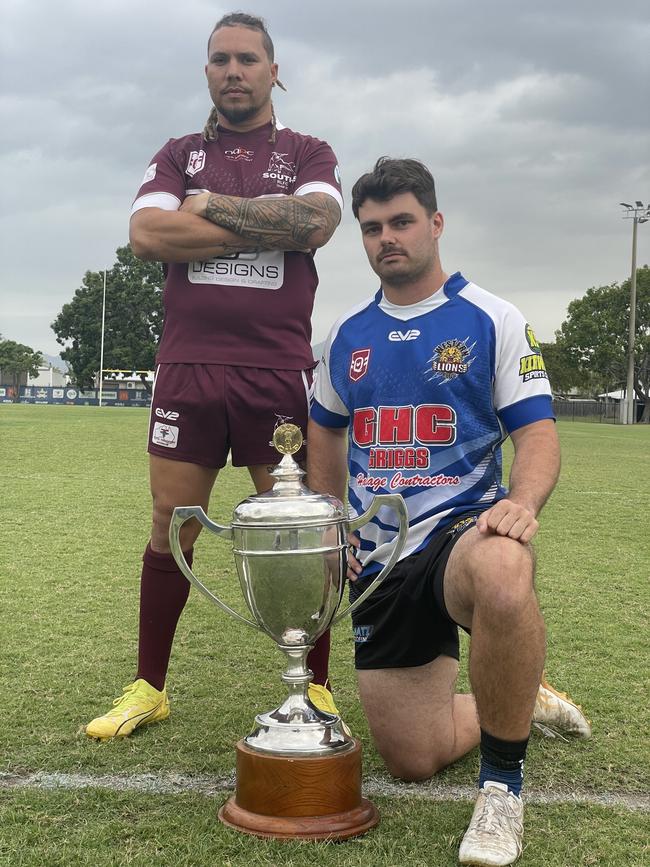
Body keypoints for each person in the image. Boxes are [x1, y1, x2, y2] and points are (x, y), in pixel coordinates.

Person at [307, 158, 590, 866]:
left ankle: (503, 787)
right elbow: (323, 432)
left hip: (464, 532)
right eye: (372, 228)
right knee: (412, 756)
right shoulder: (346, 333)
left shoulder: (492, 318)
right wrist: (333, 520)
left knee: (502, 564)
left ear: (435, 224)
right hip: (381, 560)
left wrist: (521, 503)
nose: (386, 239)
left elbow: (537, 433)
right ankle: (526, 700)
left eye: (401, 222)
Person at [85, 13, 343, 740]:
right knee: (171, 524)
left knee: (295, 534)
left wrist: (211, 216)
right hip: (189, 368)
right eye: (220, 60)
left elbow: (318, 223)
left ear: (273, 70)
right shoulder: (178, 154)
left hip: (276, 372)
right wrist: (265, 221)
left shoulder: (307, 150)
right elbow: (146, 235)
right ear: (207, 72)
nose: (234, 70)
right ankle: (148, 686)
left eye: (248, 59)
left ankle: (314, 688)